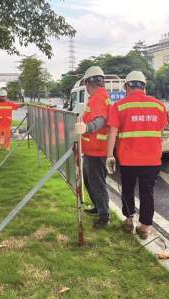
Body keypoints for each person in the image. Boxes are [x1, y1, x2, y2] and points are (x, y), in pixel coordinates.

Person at [106, 71, 167, 239]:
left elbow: (112, 132)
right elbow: (160, 130)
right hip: (152, 159)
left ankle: (128, 220)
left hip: (128, 159)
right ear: (144, 87)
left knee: (127, 189)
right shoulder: (159, 106)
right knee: (147, 192)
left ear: (127, 86)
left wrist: (109, 155)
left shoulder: (119, 106)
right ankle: (145, 227)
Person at [74, 66, 111, 229]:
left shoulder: (98, 97)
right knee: (90, 181)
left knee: (97, 183)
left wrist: (86, 128)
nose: (87, 88)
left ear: (90, 82)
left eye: (86, 84)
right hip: (92, 148)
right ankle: (98, 207)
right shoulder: (99, 96)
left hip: (97, 149)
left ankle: (104, 216)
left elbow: (101, 120)